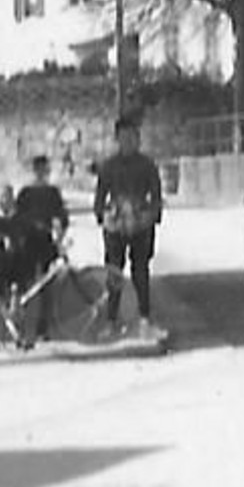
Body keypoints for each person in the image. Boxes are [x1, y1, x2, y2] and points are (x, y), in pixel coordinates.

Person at [93, 115, 164, 339]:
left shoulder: (147, 164)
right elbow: (100, 196)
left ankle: (144, 319)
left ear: (138, 139)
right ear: (117, 139)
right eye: (124, 137)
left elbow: (156, 196)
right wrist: (102, 216)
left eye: (133, 137)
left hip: (141, 223)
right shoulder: (108, 166)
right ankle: (111, 321)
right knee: (114, 273)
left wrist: (151, 216)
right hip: (115, 225)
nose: (129, 141)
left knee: (141, 272)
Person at [0, 182, 42, 350]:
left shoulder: (19, 216)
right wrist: (1, 240)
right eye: (4, 196)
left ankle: (21, 336)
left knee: (21, 300)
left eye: (9, 196)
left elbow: (28, 233)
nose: (7, 200)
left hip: (18, 264)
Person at [16, 155, 67, 339]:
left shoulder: (52, 192)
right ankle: (26, 323)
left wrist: (59, 235)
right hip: (29, 242)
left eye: (45, 169)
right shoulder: (26, 193)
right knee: (29, 284)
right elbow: (18, 218)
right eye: (41, 169)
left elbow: (61, 217)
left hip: (46, 241)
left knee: (47, 283)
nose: (42, 173)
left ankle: (43, 326)